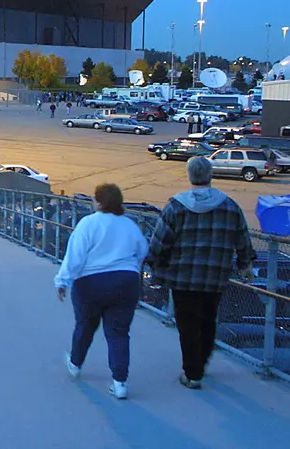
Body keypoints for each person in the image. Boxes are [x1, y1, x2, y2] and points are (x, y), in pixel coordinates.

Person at [147, 157, 256, 390]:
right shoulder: (230, 206)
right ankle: (202, 362)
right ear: (210, 175)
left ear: (189, 176)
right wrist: (245, 264)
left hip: (183, 278)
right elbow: (243, 240)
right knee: (208, 320)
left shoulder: (176, 206)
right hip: (216, 276)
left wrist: (155, 263)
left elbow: (160, 242)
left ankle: (192, 372)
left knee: (187, 325)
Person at [55, 183, 149, 399]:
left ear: (98, 201)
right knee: (118, 333)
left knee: (85, 325)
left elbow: (75, 256)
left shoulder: (88, 224)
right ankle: (119, 383)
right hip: (126, 281)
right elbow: (142, 250)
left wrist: (62, 281)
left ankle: (76, 363)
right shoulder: (129, 225)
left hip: (91, 283)